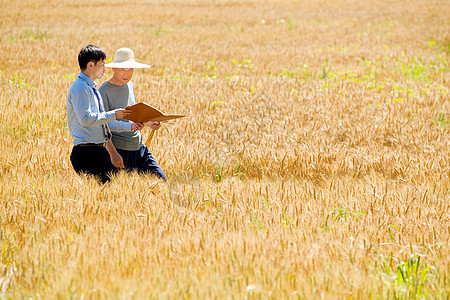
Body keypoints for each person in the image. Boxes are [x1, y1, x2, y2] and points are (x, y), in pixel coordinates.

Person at [67, 45, 143, 183]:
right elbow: (86, 119)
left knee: (109, 196)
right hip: (86, 153)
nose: (105, 69)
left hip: (99, 151)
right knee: (102, 196)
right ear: (91, 65)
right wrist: (114, 114)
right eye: (102, 65)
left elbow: (102, 123)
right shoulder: (80, 88)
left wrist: (130, 127)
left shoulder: (91, 88)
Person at [99, 47, 167, 181]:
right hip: (120, 150)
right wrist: (113, 154)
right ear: (114, 69)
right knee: (121, 192)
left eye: (130, 70)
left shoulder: (130, 85)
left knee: (160, 180)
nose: (127, 74)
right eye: (123, 70)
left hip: (138, 146)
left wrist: (148, 122)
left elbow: (132, 116)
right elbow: (101, 125)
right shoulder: (104, 91)